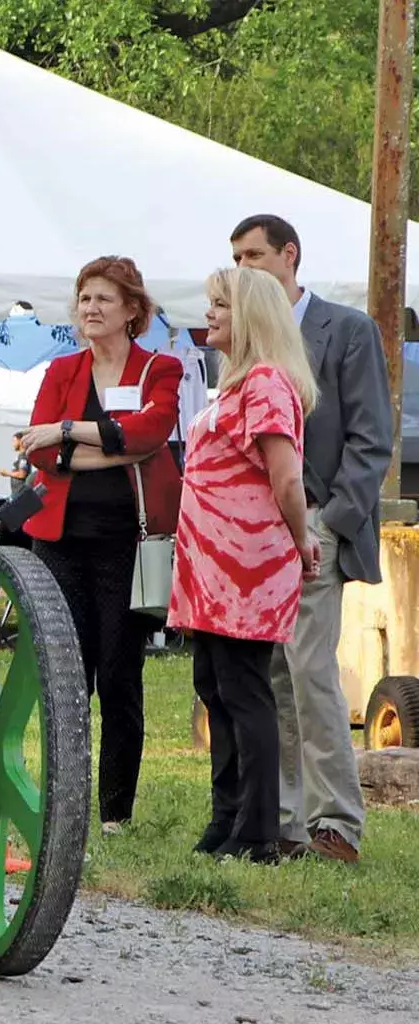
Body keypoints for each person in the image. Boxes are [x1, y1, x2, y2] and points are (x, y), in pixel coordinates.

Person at [231, 214, 394, 864]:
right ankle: (287, 823)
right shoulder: (246, 342)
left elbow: (371, 440)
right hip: (255, 535)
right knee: (270, 677)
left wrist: (328, 524)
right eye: (235, 258)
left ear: (289, 256)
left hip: (318, 527)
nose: (243, 269)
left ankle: (337, 824)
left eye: (254, 255)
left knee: (310, 670)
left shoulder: (346, 329)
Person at [17, 256, 183, 834]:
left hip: (129, 543)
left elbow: (151, 431)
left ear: (132, 310)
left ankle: (115, 813)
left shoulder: (160, 368)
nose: (90, 309)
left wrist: (68, 432)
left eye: (103, 300)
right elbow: (36, 452)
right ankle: (64, 808)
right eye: (84, 298)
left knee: (118, 676)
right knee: (67, 677)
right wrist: (115, 449)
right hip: (61, 541)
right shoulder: (62, 371)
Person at [169, 266, 320, 863]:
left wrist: (303, 538)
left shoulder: (266, 385)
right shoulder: (235, 386)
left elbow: (286, 477)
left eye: (220, 306)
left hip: (245, 569)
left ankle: (257, 831)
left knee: (243, 689)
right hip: (211, 569)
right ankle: (225, 818)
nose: (209, 314)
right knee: (215, 685)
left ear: (252, 317)